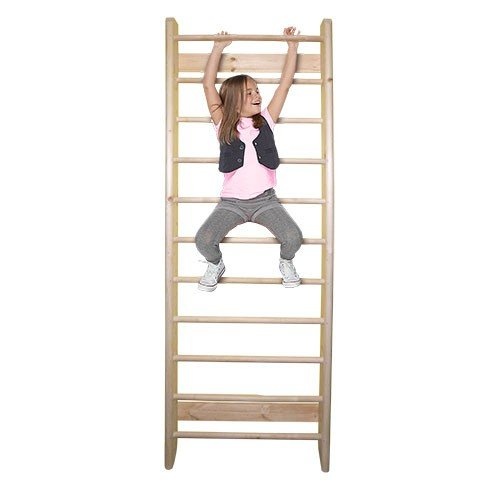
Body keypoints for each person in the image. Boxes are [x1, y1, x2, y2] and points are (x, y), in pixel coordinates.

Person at [195, 27, 304, 292]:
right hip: (231, 202)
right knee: (204, 240)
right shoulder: (223, 123)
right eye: (249, 93)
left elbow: (285, 84)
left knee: (293, 237)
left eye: (257, 90)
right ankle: (215, 264)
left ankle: (286, 262)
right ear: (234, 100)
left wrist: (292, 47)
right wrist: (218, 47)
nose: (257, 95)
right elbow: (208, 85)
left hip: (265, 200)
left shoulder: (266, 119)